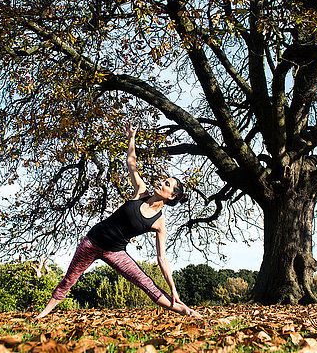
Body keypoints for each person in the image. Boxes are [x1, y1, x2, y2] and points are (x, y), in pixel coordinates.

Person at [35, 122, 202, 319]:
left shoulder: (159, 223)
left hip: (115, 252)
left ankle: (185, 311)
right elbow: (131, 164)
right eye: (163, 180)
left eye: (167, 184)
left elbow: (162, 258)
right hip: (91, 242)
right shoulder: (141, 192)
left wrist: (173, 288)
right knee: (69, 279)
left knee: (145, 282)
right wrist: (131, 138)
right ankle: (42, 314)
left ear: (171, 196)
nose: (160, 182)